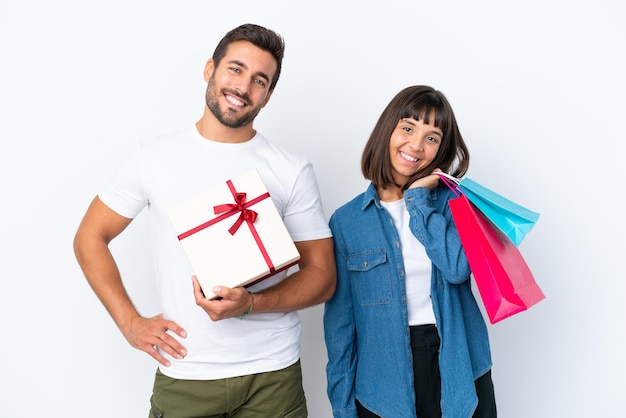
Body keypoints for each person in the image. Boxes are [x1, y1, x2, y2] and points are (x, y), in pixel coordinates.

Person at [73, 23, 336, 418]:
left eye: (259, 80)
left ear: (268, 95)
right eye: (235, 68)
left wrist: (251, 303)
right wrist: (130, 323)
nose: (243, 86)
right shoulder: (153, 158)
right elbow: (90, 237)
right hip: (186, 372)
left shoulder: (290, 169)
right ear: (209, 68)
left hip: (273, 377)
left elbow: (323, 277)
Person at [323, 85, 496, 417]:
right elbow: (340, 326)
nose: (416, 145)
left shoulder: (454, 205)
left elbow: (457, 268)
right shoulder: (347, 222)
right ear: (387, 130)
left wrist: (418, 201)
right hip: (383, 381)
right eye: (407, 128)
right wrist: (343, 408)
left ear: (441, 149)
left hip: (459, 364)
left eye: (432, 138)